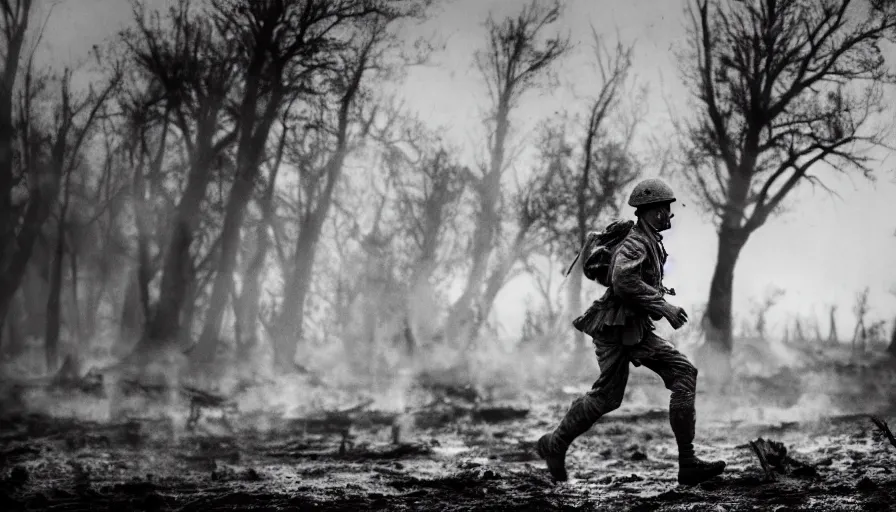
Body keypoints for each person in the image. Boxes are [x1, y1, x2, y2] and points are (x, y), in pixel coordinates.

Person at [536, 178, 726, 486]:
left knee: (682, 374)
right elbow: (622, 282)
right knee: (607, 398)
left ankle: (688, 463)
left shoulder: (651, 239)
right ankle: (555, 446)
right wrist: (664, 306)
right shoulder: (636, 242)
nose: (669, 215)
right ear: (650, 211)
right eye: (664, 209)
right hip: (615, 328)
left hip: (632, 328)